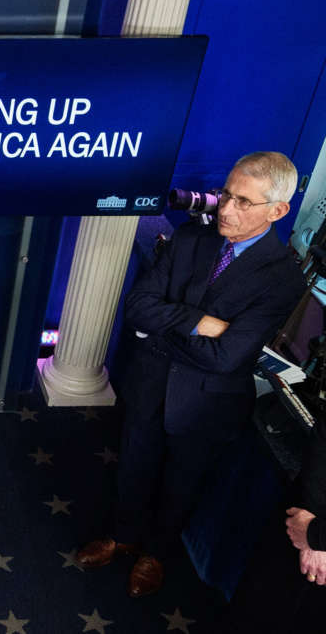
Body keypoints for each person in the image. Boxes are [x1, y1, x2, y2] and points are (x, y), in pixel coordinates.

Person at [76, 151, 305, 597]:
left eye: (243, 202)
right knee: (134, 466)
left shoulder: (284, 280)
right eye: (225, 194)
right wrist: (200, 321)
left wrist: (165, 323)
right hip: (149, 381)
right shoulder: (189, 239)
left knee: (182, 484)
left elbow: (225, 358)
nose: (226, 209)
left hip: (207, 403)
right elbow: (136, 306)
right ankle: (122, 537)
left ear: (277, 211)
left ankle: (154, 555)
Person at [221, 404, 326, 631]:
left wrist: (316, 536)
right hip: (303, 518)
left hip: (309, 531)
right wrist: (312, 528)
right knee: (257, 608)